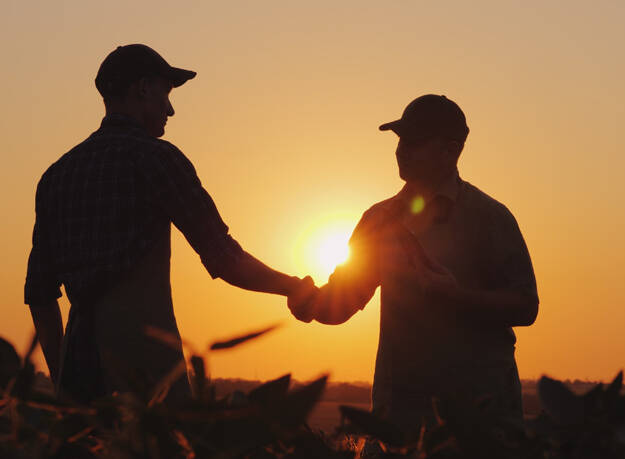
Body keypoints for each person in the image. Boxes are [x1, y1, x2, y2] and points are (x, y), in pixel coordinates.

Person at [24, 44, 316, 403]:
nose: (171, 109)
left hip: (79, 367)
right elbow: (224, 258)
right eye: (167, 93)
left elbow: (39, 293)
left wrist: (62, 382)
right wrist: (294, 288)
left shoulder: (56, 176)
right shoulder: (156, 158)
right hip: (148, 371)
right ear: (143, 88)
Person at [288, 94, 538, 435]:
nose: (401, 150)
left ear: (451, 151)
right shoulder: (378, 219)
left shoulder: (491, 217)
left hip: (483, 420)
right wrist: (305, 300)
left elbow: (526, 307)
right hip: (403, 418)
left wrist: (456, 296)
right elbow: (340, 304)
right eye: (400, 139)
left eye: (415, 141)